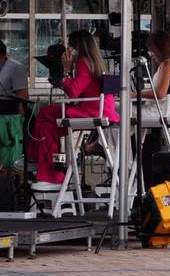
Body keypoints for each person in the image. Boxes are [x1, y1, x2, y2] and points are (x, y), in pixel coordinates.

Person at [28, 29, 119, 184]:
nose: (68, 49)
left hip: (91, 111)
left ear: (77, 46)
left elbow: (73, 92)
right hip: (99, 109)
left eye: (70, 45)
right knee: (48, 128)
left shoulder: (83, 63)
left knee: (44, 112)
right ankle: (48, 171)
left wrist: (67, 71)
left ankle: (36, 159)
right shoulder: (95, 62)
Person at [138, 30, 170, 123]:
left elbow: (161, 93)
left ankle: (115, 138)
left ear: (160, 48)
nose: (151, 54)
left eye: (152, 50)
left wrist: (135, 94)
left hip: (159, 112)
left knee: (117, 110)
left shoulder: (167, 64)